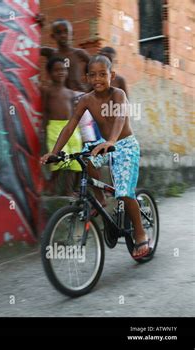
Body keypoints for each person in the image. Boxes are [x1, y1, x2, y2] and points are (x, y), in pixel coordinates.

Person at [41, 55, 150, 259]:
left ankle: (141, 232)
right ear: (87, 78)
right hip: (104, 145)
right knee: (86, 159)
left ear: (112, 75)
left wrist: (112, 141)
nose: (98, 79)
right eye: (93, 75)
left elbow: (120, 117)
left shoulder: (118, 95)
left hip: (124, 145)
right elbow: (71, 124)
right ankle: (100, 198)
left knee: (125, 193)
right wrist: (54, 152)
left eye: (103, 74)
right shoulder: (86, 100)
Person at [40, 56, 83, 195]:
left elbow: (74, 113)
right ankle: (50, 187)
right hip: (54, 127)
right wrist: (43, 129)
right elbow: (45, 111)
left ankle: (68, 190)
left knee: (74, 158)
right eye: (56, 70)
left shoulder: (70, 93)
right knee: (59, 158)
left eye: (63, 70)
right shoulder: (47, 91)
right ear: (49, 73)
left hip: (71, 128)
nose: (60, 73)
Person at [37, 17, 91, 92]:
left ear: (72, 34)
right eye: (58, 32)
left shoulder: (79, 53)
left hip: (77, 96)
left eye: (66, 32)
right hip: (60, 98)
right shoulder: (51, 53)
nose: (63, 35)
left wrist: (88, 88)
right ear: (53, 36)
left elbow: (95, 68)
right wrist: (37, 26)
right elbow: (32, 48)